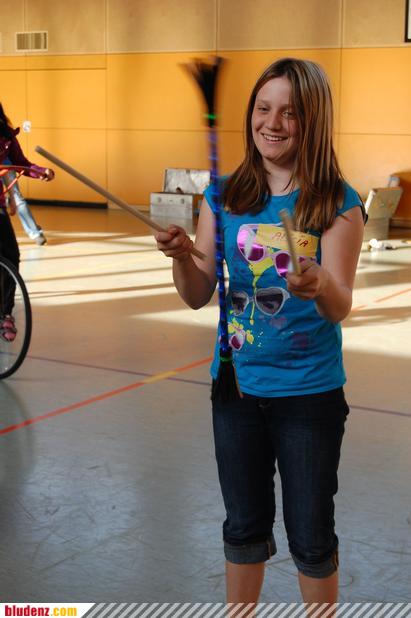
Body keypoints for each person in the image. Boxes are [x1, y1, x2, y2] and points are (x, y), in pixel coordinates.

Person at [155, 57, 364, 608]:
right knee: (243, 527)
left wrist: (320, 283)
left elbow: (340, 305)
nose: (272, 123)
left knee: (311, 538)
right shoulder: (223, 196)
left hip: (309, 395)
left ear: (312, 120)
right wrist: (182, 258)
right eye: (263, 108)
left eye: (289, 113)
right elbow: (197, 293)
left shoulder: (337, 202)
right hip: (237, 389)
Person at [0, 102, 54, 341]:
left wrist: (40, 171)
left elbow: (21, 162)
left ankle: (5, 314)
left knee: (10, 256)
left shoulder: (5, 135)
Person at [2, 160, 47, 245]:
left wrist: (41, 171)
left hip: (6, 166)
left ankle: (36, 233)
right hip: (6, 166)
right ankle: (36, 233)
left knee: (17, 198)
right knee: (17, 197)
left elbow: (21, 161)